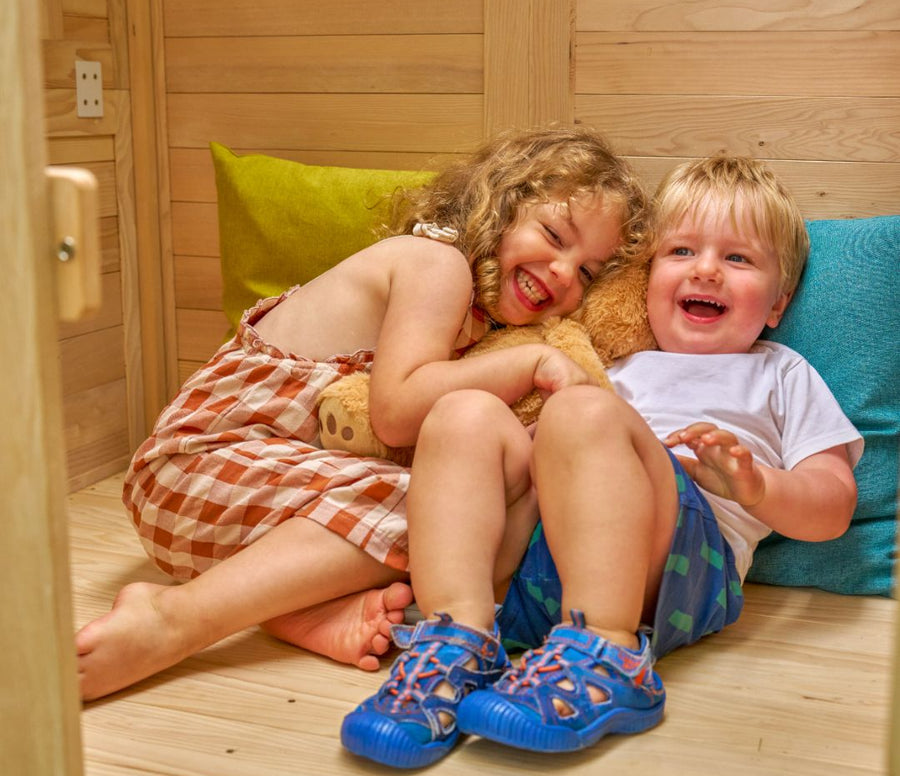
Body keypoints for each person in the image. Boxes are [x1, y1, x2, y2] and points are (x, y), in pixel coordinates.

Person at [75, 125, 653, 701]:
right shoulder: (435, 267)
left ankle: (295, 610)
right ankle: (175, 619)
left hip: (240, 513)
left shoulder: (480, 324)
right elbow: (397, 413)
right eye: (553, 235)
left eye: (586, 272)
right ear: (499, 209)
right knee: (448, 507)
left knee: (475, 505)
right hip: (196, 468)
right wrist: (532, 364)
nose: (560, 271)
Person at [340, 156, 863, 768]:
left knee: (580, 413)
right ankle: (458, 638)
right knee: (464, 413)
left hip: (680, 566)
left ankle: (610, 654)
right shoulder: (615, 364)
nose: (706, 270)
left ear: (778, 303)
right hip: (541, 570)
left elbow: (834, 504)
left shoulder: (780, 373)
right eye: (682, 252)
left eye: (738, 259)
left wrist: (758, 485)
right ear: (645, 280)